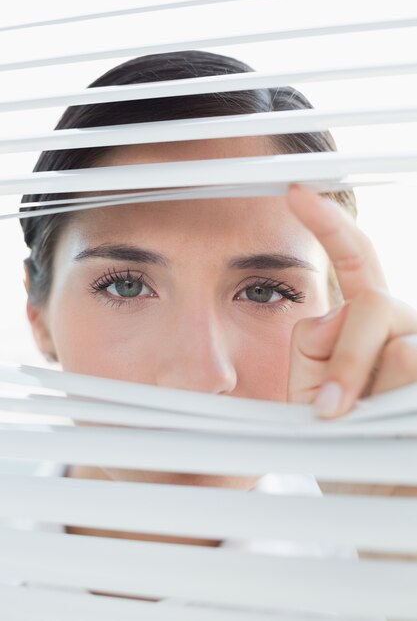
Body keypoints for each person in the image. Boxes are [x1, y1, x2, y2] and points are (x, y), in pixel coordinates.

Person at [16, 49, 417, 600]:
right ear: (37, 315)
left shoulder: (376, 569)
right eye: (126, 285)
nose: (200, 379)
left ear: (338, 316)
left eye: (263, 292)